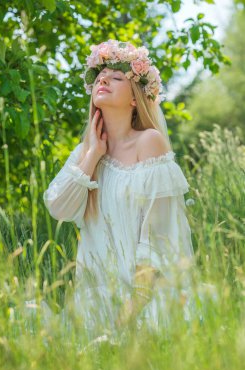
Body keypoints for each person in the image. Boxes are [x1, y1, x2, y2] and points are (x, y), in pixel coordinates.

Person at [43, 39, 195, 341]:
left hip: (143, 301)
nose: (103, 79)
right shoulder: (86, 152)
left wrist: (124, 319)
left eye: (116, 77)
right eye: (100, 76)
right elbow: (58, 207)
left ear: (135, 99)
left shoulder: (149, 142)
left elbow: (157, 244)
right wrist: (93, 155)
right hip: (95, 299)